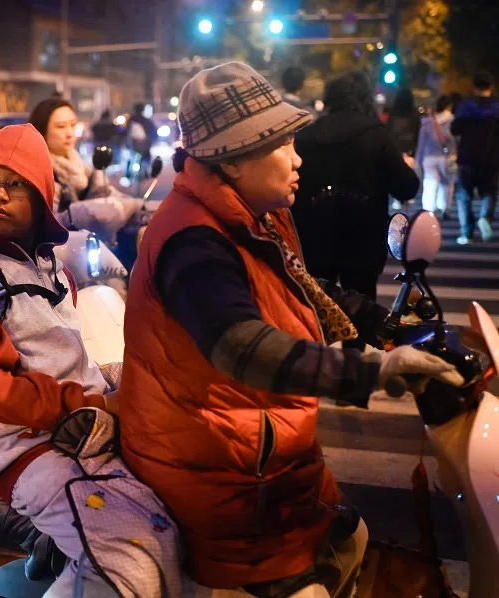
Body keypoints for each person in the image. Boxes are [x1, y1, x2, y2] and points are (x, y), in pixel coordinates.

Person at [118, 61, 462, 597]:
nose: (298, 159)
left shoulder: (254, 213)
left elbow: (299, 285)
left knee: (354, 542)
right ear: (233, 158)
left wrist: (383, 324)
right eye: (282, 144)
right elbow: (240, 346)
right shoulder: (193, 240)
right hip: (220, 472)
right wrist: (372, 372)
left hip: (265, 454)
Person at [0, 124, 180, 597]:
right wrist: (100, 405)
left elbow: (69, 357)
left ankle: (65, 549)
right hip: (27, 452)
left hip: (83, 430)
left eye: (16, 183)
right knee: (132, 559)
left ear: (41, 195)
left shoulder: (51, 266)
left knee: (173, 516)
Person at [292, 70, 419, 300]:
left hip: (314, 237)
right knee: (362, 314)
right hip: (363, 238)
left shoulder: (305, 136)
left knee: (317, 313)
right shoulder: (375, 135)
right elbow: (406, 186)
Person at [28, 97, 141, 243]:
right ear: (41, 131)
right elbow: (46, 224)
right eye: (61, 126)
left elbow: (113, 199)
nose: (70, 133)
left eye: (73, 125)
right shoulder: (39, 173)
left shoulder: (83, 167)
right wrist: (86, 212)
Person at [451, 69, 499, 244]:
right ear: (491, 86)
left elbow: (455, 129)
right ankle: (485, 217)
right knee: (490, 191)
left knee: (464, 196)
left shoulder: (465, 106)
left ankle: (467, 234)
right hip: (491, 158)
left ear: (473, 86)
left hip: (467, 157)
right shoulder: (497, 107)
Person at [415, 95, 456, 218]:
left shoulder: (428, 121)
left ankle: (428, 210)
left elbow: (421, 142)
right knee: (447, 183)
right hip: (447, 156)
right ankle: (445, 208)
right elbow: (456, 139)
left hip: (429, 157)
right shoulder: (452, 120)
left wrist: (418, 159)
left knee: (430, 183)